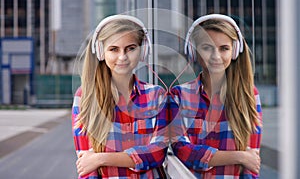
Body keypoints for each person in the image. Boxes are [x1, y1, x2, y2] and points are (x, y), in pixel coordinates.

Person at [72, 14, 169, 179]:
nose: (122, 57)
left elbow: (157, 154)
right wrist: (133, 159)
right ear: (101, 52)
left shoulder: (156, 95)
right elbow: (87, 165)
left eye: (130, 48)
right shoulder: (85, 96)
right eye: (114, 49)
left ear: (143, 50)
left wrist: (101, 158)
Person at [170, 14, 263, 178]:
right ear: (194, 51)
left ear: (234, 51)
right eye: (207, 47)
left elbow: (251, 164)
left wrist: (243, 159)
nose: (216, 56)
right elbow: (183, 151)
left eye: (224, 48)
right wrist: (238, 156)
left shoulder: (248, 95)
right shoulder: (179, 96)